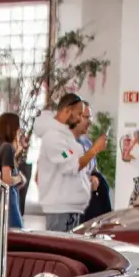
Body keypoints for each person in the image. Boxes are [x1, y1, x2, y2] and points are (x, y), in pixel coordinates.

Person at [34, 93, 99, 232]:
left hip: (71, 208)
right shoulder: (53, 137)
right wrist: (93, 151)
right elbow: (69, 166)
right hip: (60, 209)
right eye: (81, 115)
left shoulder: (71, 141)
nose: (82, 119)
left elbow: (66, 157)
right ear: (68, 111)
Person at [0, 112, 26, 229]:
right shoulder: (7, 148)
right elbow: (7, 179)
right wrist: (20, 178)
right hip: (7, 200)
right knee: (16, 233)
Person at [72, 103, 111, 222]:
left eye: (91, 118)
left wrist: (95, 177)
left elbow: (92, 167)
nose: (90, 122)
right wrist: (94, 149)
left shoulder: (86, 141)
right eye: (86, 117)